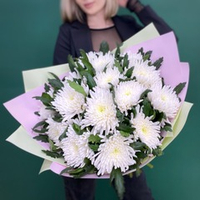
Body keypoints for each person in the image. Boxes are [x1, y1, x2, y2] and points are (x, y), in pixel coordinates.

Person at [53, 0, 174, 199]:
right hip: (81, 138)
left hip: (126, 138)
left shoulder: (127, 24)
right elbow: (61, 85)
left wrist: (134, 4)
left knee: (138, 195)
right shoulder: (69, 31)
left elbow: (169, 40)